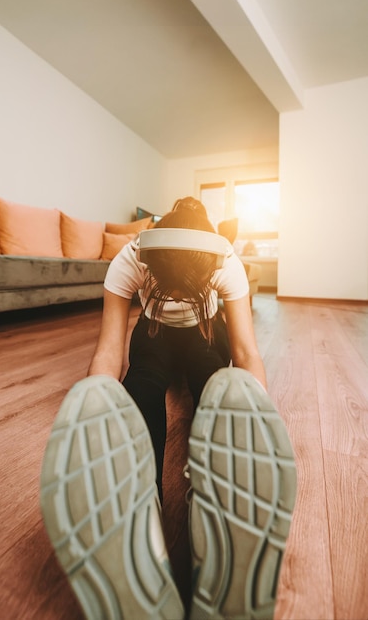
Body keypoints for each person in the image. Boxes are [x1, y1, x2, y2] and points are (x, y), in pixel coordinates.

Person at [40, 197, 296, 620]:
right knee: (141, 381)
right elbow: (108, 351)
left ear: (209, 270)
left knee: (215, 380)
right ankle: (141, 502)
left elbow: (247, 352)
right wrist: (101, 408)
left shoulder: (224, 260)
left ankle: (211, 499)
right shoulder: (132, 255)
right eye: (166, 288)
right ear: (149, 264)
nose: (176, 297)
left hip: (205, 331)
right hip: (154, 331)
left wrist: (256, 423)